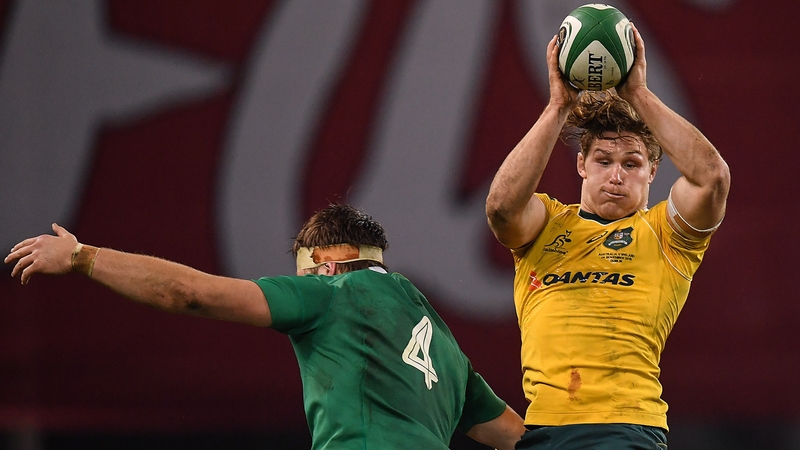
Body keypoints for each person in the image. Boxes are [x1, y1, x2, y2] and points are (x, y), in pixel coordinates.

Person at [4, 204, 525, 450]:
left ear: (321, 259)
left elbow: (191, 293)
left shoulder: (330, 292)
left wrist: (82, 257)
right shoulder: (442, 343)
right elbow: (517, 438)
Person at [484, 24, 730, 449]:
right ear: (581, 164)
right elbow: (501, 209)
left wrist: (639, 94)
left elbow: (712, 180)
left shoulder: (664, 235)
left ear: (654, 171)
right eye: (603, 160)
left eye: (632, 163)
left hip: (625, 429)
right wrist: (558, 106)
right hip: (542, 431)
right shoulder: (546, 223)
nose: (616, 175)